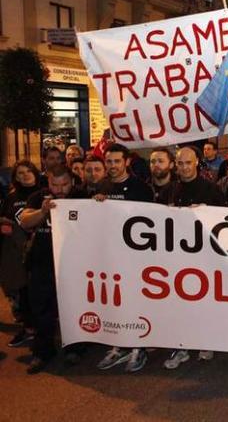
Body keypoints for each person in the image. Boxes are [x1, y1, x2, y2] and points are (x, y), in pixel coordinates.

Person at [159, 146, 224, 369]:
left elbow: (225, 223)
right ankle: (182, 346)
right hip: (176, 258)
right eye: (180, 164)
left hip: (205, 257)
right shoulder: (169, 190)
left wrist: (206, 213)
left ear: (197, 162)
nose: (184, 167)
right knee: (179, 303)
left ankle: (206, 340)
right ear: (175, 165)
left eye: (188, 163)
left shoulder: (211, 190)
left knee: (205, 301)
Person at [18, 166, 86, 373]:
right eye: (55, 185)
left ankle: (76, 348)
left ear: (72, 182)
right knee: (42, 310)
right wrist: (43, 211)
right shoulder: (38, 197)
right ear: (48, 183)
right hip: (42, 263)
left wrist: (99, 201)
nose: (60, 189)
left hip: (73, 263)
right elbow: (24, 221)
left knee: (73, 307)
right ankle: (43, 351)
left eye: (64, 184)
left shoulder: (83, 197)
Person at [93, 144, 154, 373]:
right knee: (113, 299)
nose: (112, 166)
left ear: (126, 162)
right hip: (109, 255)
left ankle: (139, 347)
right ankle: (118, 344)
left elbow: (151, 222)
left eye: (117, 161)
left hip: (135, 257)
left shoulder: (141, 188)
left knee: (136, 300)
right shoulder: (101, 186)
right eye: (108, 162)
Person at [1, 161, 41, 349]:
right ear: (15, 177)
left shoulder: (45, 192)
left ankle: (43, 329)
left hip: (42, 248)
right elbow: (6, 219)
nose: (25, 175)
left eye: (28, 171)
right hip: (19, 250)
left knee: (40, 290)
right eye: (20, 173)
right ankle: (29, 328)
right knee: (22, 290)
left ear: (35, 172)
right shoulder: (11, 197)